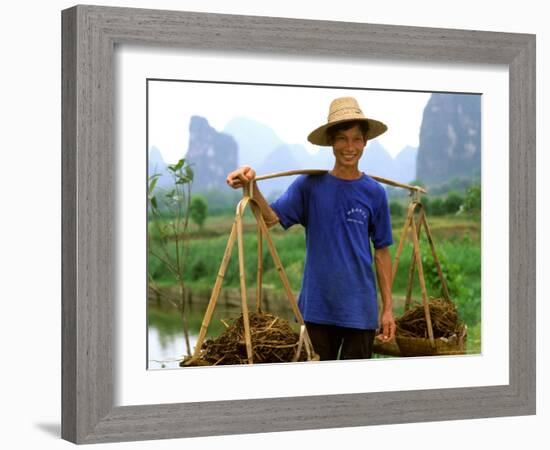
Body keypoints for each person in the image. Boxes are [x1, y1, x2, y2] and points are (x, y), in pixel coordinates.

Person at [226, 96, 396, 360]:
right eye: (341, 138)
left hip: (360, 311)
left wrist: (387, 309)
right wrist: (252, 185)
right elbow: (271, 219)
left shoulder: (375, 193)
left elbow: (382, 251)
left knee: (356, 393)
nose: (349, 147)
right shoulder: (310, 185)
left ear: (365, 142)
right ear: (331, 142)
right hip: (317, 311)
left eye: (356, 139)